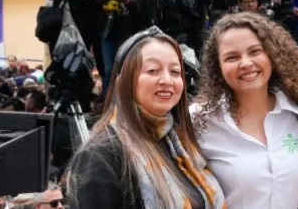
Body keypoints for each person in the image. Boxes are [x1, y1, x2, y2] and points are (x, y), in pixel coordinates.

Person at [65, 27, 226, 208]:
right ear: (125, 80)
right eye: (153, 70)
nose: (167, 80)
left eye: (175, 72)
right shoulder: (100, 157)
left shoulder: (182, 145)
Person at [190, 13, 298, 208]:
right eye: (232, 57)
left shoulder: (296, 115)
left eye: (255, 51)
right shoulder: (199, 120)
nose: (246, 63)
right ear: (218, 66)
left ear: (271, 55)